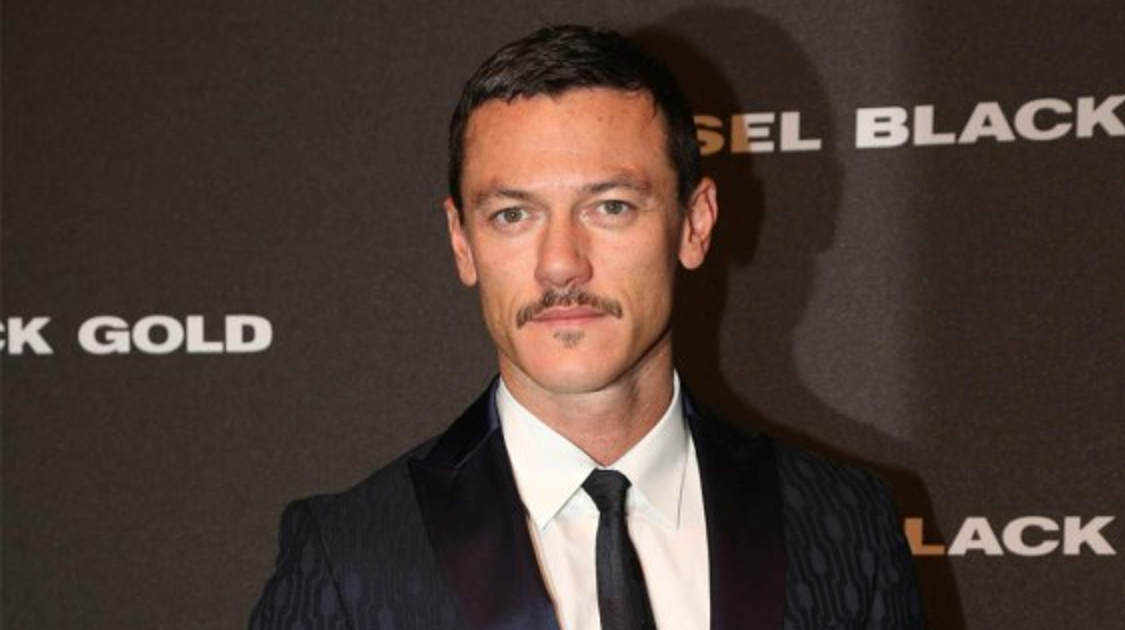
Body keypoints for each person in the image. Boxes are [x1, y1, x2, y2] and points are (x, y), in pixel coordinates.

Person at [249, 24, 926, 630]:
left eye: (610, 206)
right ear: (462, 242)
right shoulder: (352, 556)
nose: (560, 264)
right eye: (513, 215)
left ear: (694, 224)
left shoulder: (844, 528)